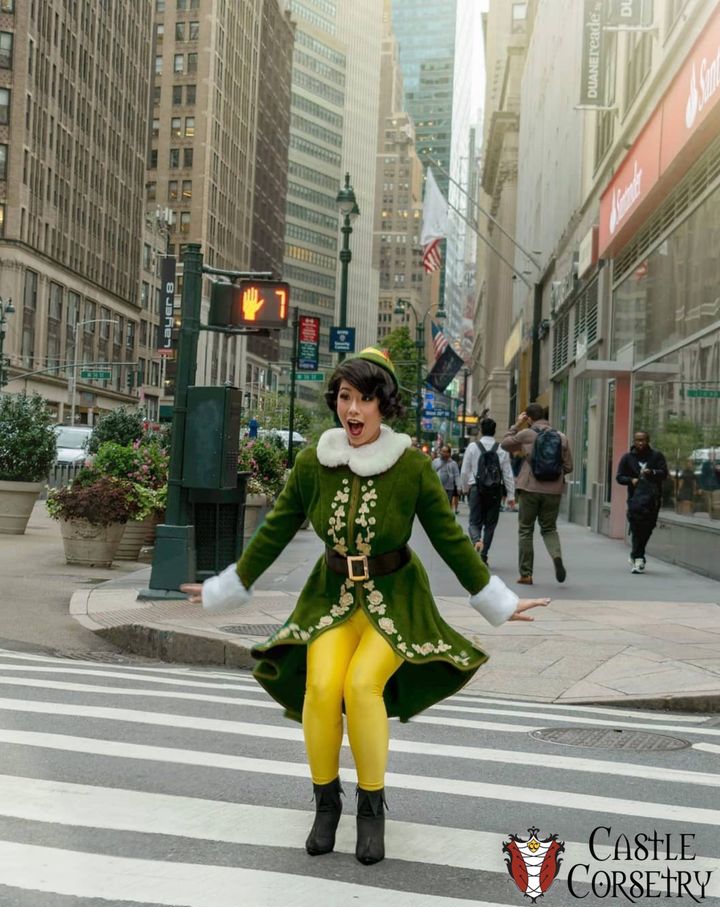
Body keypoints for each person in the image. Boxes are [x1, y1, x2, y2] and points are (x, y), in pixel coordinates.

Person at [181, 347, 549, 866]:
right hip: (331, 599)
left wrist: (499, 600)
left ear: (384, 406)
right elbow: (277, 528)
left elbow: (448, 537)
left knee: (361, 685)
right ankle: (326, 803)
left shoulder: (411, 466)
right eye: (346, 397)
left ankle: (372, 809)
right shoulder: (314, 460)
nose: (353, 410)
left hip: (395, 601)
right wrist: (227, 584)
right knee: (322, 686)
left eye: (366, 399)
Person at [501, 403, 573, 585]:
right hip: (554, 490)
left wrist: (517, 425)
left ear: (529, 418)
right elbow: (568, 467)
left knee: (526, 529)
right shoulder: (561, 437)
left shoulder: (526, 434)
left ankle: (526, 574)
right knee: (549, 528)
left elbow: (505, 445)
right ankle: (556, 556)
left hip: (530, 488)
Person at [460, 417, 515, 564]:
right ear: (494, 431)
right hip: (495, 491)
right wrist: (511, 495)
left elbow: (464, 471)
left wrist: (465, 488)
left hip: (476, 489)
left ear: (481, 431)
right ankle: (484, 554)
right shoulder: (501, 449)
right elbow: (508, 474)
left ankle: (477, 540)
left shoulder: (472, 447)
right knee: (490, 525)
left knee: (474, 522)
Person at [615, 431, 668, 573]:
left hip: (653, 500)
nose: (640, 443)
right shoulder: (628, 458)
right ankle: (639, 559)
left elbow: (664, 474)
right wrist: (631, 480)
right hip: (635, 500)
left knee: (648, 528)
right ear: (634, 441)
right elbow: (619, 477)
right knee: (637, 526)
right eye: (637, 440)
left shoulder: (656, 456)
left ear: (648, 440)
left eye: (643, 440)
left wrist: (652, 472)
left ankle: (635, 554)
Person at [432, 444, 462, 512]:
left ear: (449, 453)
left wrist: (458, 487)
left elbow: (457, 475)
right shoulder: (435, 462)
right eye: (442, 451)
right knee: (438, 504)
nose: (443, 453)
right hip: (438, 487)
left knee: (447, 505)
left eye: (445, 452)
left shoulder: (453, 463)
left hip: (449, 488)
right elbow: (431, 474)